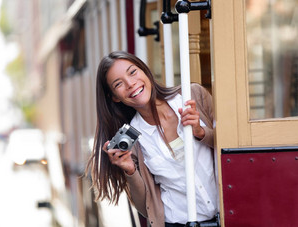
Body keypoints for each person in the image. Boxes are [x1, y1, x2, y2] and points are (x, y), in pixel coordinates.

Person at [86, 51, 218, 227]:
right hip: (177, 223)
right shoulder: (131, 140)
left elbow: (230, 143)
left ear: (145, 71)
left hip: (227, 215)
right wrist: (130, 171)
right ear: (115, 97)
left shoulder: (192, 96)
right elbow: (145, 207)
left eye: (132, 72)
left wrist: (201, 132)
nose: (131, 84)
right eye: (119, 84)